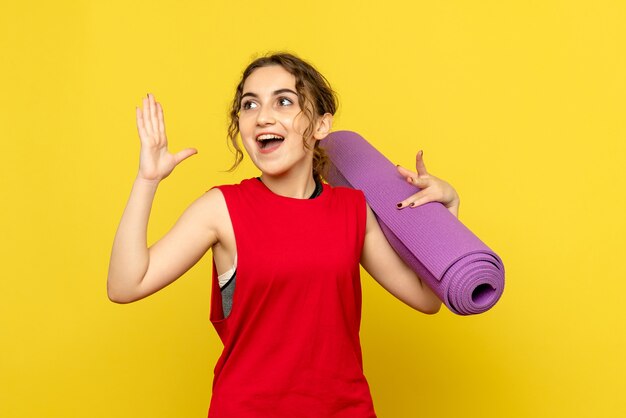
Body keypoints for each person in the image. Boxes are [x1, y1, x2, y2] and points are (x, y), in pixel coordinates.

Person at [107, 52, 460, 417]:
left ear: (322, 125)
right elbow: (125, 285)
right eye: (249, 105)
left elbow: (426, 298)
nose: (263, 117)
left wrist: (446, 215)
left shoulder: (353, 210)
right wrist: (147, 180)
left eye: (284, 101)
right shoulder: (221, 209)